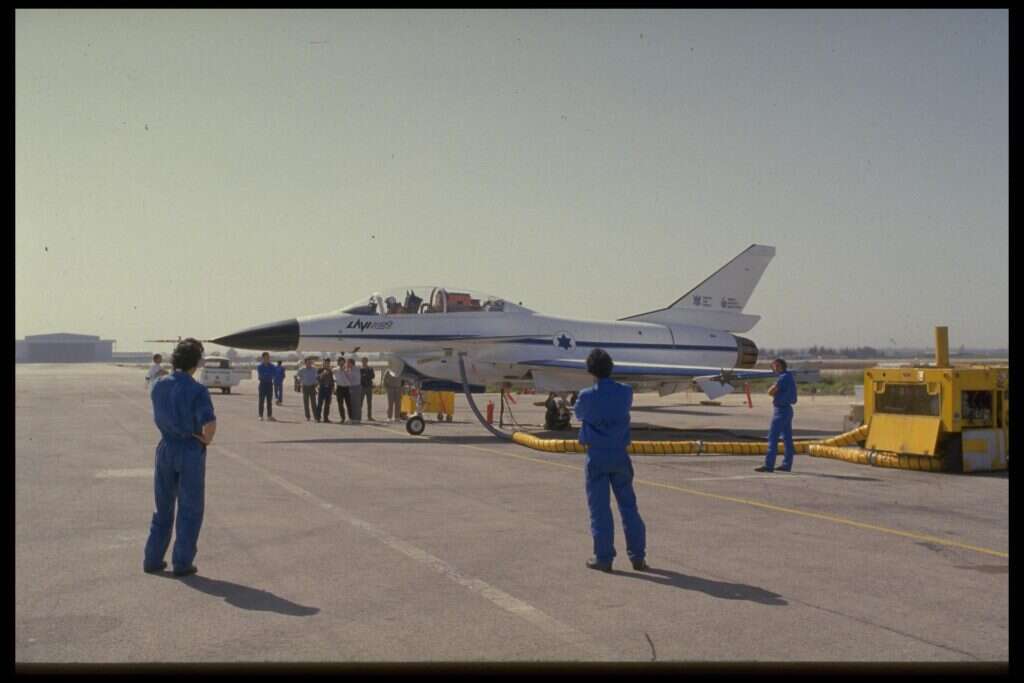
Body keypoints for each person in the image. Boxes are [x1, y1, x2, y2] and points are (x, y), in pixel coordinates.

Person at [143, 337, 216, 577]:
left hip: (165, 447)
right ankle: (182, 562)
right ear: (196, 361)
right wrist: (205, 440)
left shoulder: (158, 384)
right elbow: (209, 425)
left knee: (162, 506)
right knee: (190, 507)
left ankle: (153, 559)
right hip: (189, 450)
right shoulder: (197, 389)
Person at [573, 348, 648, 572]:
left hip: (597, 455)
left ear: (590, 370)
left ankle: (604, 557)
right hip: (619, 455)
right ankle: (638, 556)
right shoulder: (625, 392)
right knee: (629, 506)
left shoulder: (587, 396)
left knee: (600, 508)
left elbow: (579, 414)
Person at [756, 358, 798, 473]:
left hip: (780, 410)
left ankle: (769, 465)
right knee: (787, 438)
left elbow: (771, 391)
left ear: (779, 366)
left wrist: (772, 389)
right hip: (787, 410)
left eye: (774, 366)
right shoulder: (789, 377)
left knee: (773, 437)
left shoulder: (782, 378)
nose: (773, 368)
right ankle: (787, 464)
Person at [296, 357, 320, 422]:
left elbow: (317, 377)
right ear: (305, 363)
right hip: (305, 387)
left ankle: (316, 417)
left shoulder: (314, 369)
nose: (309, 363)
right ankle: (307, 416)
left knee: (313, 403)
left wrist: (317, 383)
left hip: (312, 387)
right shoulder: (302, 369)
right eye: (308, 362)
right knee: (306, 403)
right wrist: (299, 380)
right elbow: (297, 375)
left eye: (310, 362)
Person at [256, 352, 277, 421]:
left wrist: (267, 374)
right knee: (261, 401)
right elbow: (261, 376)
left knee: (269, 401)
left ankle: (269, 415)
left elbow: (274, 374)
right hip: (262, 384)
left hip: (269, 384)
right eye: (265, 358)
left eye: (268, 358)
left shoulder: (272, 366)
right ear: (263, 358)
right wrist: (268, 374)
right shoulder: (260, 367)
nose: (267, 359)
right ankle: (260, 415)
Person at [316, 358, 335, 423]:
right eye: (326, 363)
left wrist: (333, 388)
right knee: (320, 404)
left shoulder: (330, 371)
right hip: (322, 388)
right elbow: (318, 379)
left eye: (328, 363)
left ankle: (325, 418)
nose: (327, 364)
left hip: (328, 389)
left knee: (327, 404)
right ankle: (318, 418)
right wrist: (323, 374)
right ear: (323, 363)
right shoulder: (320, 370)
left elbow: (332, 380)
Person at [344, 358, 362, 422]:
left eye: (347, 363)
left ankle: (357, 419)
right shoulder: (351, 369)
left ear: (351, 363)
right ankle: (353, 418)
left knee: (356, 404)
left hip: (356, 387)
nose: (346, 364)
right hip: (352, 387)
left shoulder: (355, 369)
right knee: (352, 403)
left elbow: (351, 377)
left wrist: (345, 372)